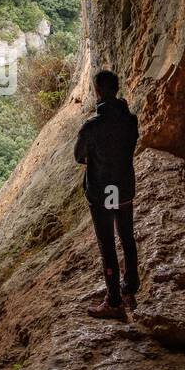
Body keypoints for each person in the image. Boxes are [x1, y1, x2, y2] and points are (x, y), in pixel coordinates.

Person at [74, 69, 139, 320]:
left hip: (102, 192)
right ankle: (130, 289)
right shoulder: (130, 120)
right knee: (127, 238)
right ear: (117, 88)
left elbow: (79, 156)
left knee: (107, 245)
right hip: (123, 189)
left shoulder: (92, 126)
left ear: (97, 91)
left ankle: (113, 301)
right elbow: (131, 143)